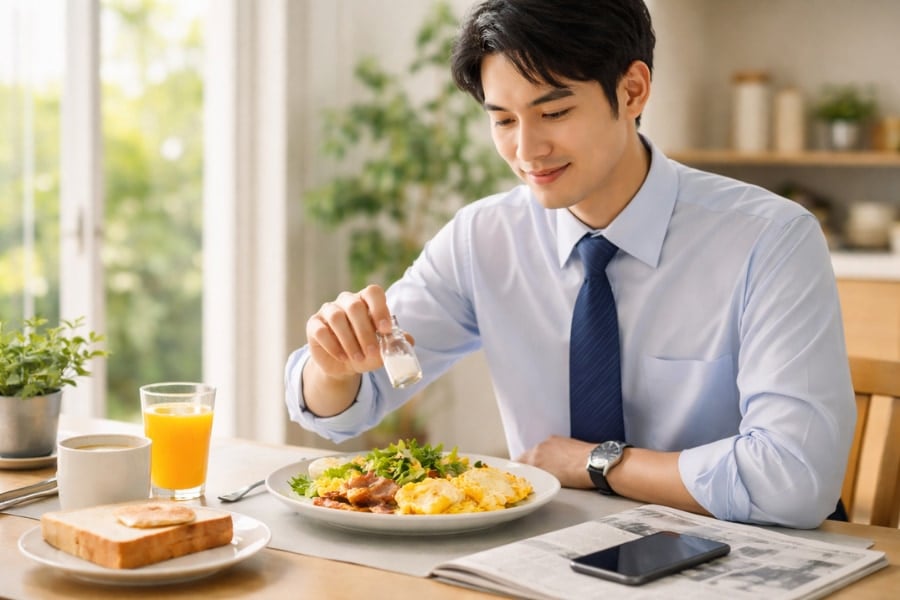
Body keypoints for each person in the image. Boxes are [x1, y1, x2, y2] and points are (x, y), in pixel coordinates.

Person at [284, 0, 855, 529]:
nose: (527, 152)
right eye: (503, 121)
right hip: (551, 553)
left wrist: (595, 463)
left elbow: (795, 479)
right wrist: (334, 367)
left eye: (553, 111)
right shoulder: (484, 237)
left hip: (741, 551)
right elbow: (341, 415)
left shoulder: (769, 238)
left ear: (632, 91)